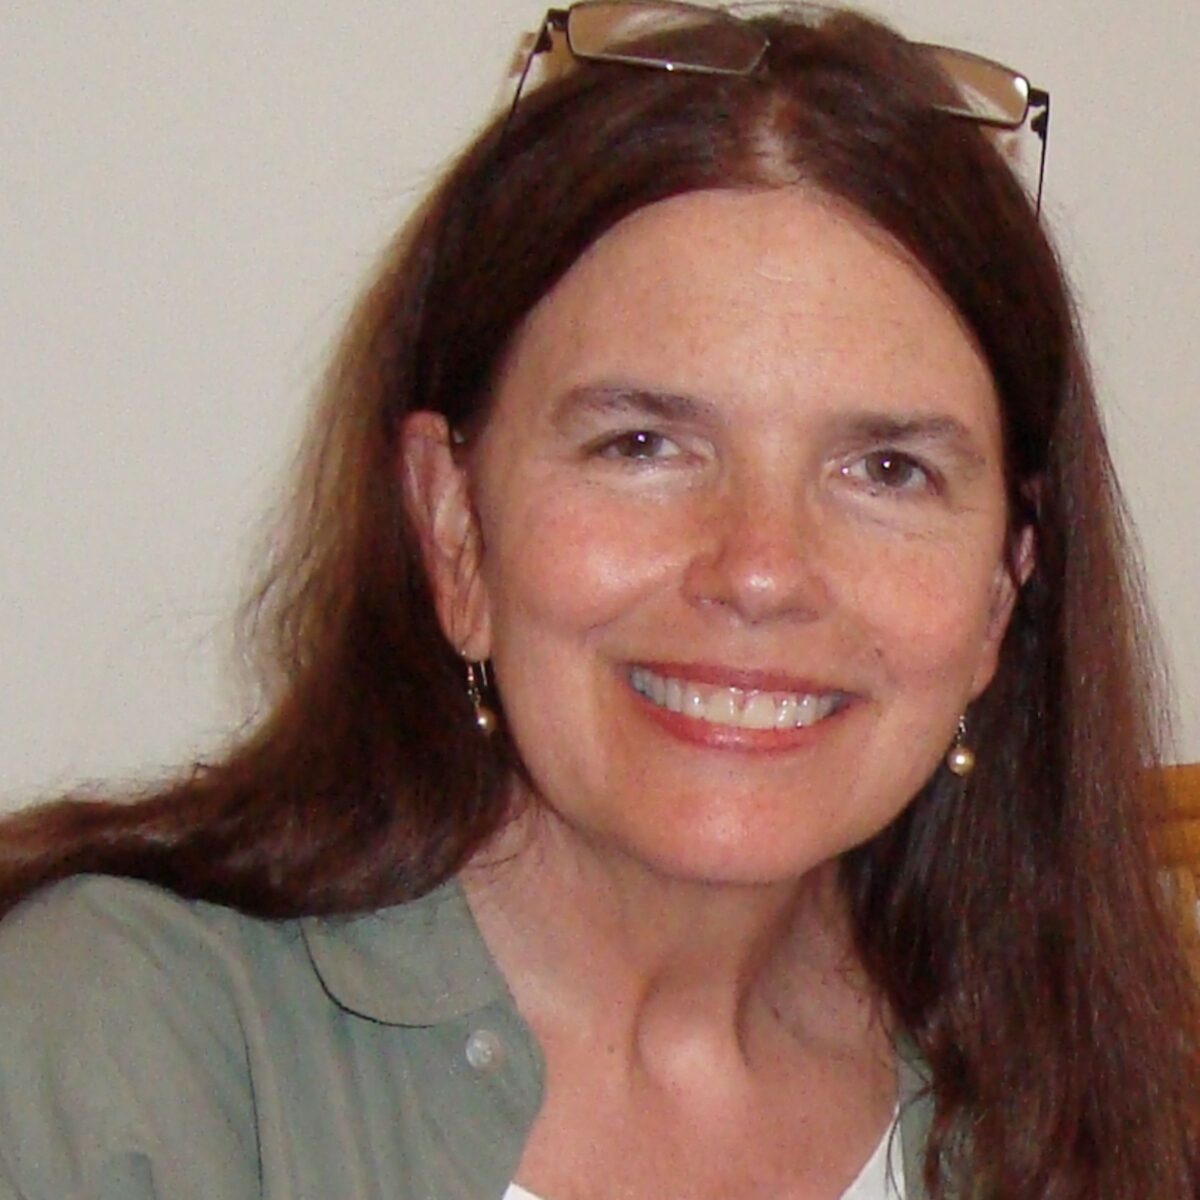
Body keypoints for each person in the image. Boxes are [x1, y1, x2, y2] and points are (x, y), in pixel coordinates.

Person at [0, 3, 1196, 1198]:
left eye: (887, 470)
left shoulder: (1083, 1104)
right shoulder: (124, 1049)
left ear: (1001, 594)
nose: (761, 567)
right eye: (642, 444)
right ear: (455, 529)